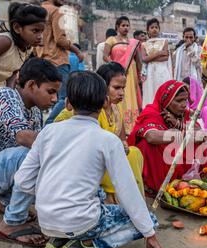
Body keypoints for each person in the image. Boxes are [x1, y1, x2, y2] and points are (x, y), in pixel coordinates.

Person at [14, 71, 170, 248]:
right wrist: (149, 233)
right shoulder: (107, 140)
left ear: (68, 103)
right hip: (80, 220)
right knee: (149, 219)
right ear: (105, 101)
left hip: (46, 220)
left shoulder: (48, 132)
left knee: (98, 193)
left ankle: (61, 240)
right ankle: (85, 247)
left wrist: (51, 196)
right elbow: (128, 192)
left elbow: (22, 181)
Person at [0, 58, 62, 247]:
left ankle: (1, 201)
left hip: (1, 172)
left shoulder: (35, 111)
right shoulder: (5, 95)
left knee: (45, 176)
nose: (55, 99)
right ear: (31, 85)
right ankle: (10, 225)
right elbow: (24, 138)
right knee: (29, 155)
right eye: (51, 92)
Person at [55, 62, 145, 203]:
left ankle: (132, 200)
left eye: (123, 88)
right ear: (101, 88)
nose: (121, 93)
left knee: (134, 153)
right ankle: (124, 202)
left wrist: (123, 146)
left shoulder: (116, 109)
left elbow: (122, 140)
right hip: (86, 162)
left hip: (106, 159)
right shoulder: (85, 108)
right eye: (116, 88)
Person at [128, 80, 205, 194]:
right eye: (179, 101)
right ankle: (152, 184)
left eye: (185, 100)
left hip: (175, 159)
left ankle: (185, 182)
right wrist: (180, 135)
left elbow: (201, 135)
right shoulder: (152, 111)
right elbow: (151, 136)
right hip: (161, 161)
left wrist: (178, 125)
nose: (184, 104)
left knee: (200, 145)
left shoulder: (184, 113)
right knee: (146, 146)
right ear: (166, 101)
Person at [36, 0, 84, 125]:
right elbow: (60, 39)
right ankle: (49, 125)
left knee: (40, 96)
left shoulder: (38, 11)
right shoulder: (56, 11)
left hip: (42, 60)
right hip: (57, 60)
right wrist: (77, 51)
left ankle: (40, 126)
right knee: (64, 97)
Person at [0, 3, 47, 89]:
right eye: (35, 31)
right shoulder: (5, 42)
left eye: (42, 31)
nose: (40, 36)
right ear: (17, 28)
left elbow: (12, 73)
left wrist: (9, 92)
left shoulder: (28, 47)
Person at [104, 16, 142, 134]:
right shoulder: (111, 40)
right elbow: (105, 56)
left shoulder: (133, 43)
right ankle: (119, 123)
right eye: (123, 25)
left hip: (131, 75)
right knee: (118, 95)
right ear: (117, 27)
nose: (126, 28)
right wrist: (114, 67)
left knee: (130, 96)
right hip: (117, 73)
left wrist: (140, 75)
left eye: (127, 25)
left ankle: (132, 125)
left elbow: (138, 60)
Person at [142, 18, 173, 109]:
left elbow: (166, 57)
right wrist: (159, 53)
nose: (154, 29)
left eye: (156, 27)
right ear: (148, 30)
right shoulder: (144, 44)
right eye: (152, 27)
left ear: (159, 29)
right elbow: (144, 59)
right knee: (150, 92)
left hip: (162, 71)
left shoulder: (164, 41)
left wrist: (150, 57)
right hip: (150, 72)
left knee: (162, 90)